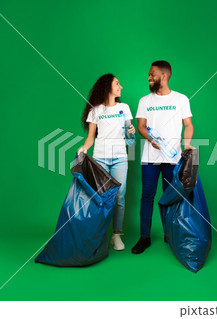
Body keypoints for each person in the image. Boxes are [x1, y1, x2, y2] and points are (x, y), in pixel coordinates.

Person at [132, 61, 195, 254]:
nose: (149, 77)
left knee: (170, 196)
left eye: (152, 74)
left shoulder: (181, 99)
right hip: (150, 157)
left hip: (172, 157)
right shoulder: (145, 101)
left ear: (164, 76)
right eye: (149, 75)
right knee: (147, 196)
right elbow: (141, 126)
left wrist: (187, 144)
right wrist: (149, 138)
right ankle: (144, 237)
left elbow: (189, 125)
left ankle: (170, 234)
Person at [78, 73, 135, 251]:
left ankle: (116, 235)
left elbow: (130, 141)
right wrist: (84, 148)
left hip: (120, 157)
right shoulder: (95, 110)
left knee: (119, 195)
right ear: (107, 87)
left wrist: (131, 132)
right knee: (100, 196)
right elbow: (90, 138)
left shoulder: (124, 107)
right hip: (100, 157)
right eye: (117, 83)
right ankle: (99, 235)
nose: (121, 87)